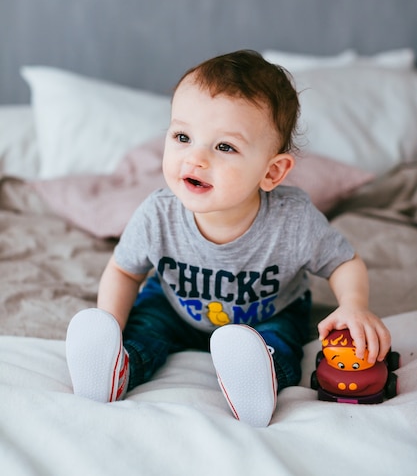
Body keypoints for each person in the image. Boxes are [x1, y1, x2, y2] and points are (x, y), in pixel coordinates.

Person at [66, 49, 391, 427]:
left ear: (271, 172)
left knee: (279, 341)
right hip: (174, 307)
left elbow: (343, 262)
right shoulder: (158, 214)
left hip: (268, 312)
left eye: (225, 147)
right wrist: (111, 322)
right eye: (183, 136)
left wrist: (353, 305)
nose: (196, 158)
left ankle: (257, 381)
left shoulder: (292, 219)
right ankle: (116, 366)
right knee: (145, 326)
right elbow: (124, 271)